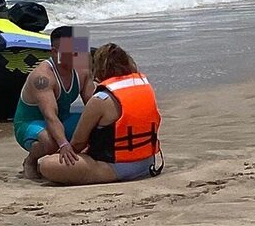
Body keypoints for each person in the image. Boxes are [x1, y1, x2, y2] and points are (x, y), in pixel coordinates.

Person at [38, 43, 163, 185]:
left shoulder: (100, 99)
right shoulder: (144, 87)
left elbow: (78, 142)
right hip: (147, 161)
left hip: (116, 167)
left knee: (47, 164)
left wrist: (64, 153)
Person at [13, 26, 95, 179]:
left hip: (62, 119)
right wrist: (63, 144)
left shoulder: (82, 69)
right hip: (31, 123)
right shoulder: (42, 77)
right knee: (51, 142)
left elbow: (93, 105)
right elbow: (50, 116)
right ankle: (30, 161)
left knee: (97, 122)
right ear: (55, 52)